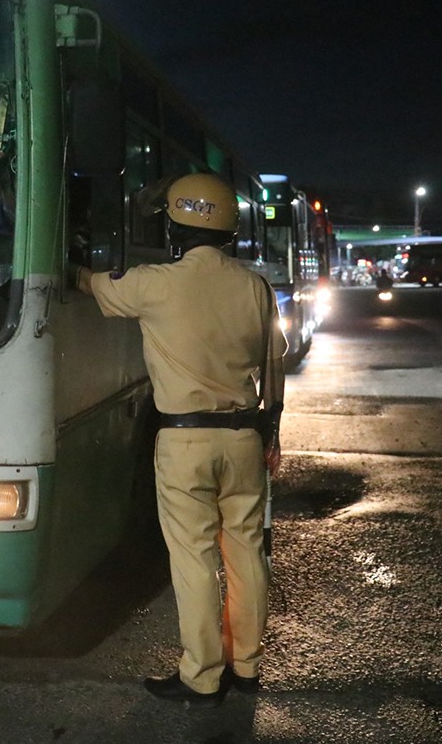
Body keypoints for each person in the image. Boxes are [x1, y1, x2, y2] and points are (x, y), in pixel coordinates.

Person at [72, 173, 287, 708]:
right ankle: (248, 666)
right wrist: (272, 432)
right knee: (246, 551)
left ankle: (203, 675)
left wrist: (71, 264)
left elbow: (93, 285)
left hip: (185, 441)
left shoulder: (154, 282)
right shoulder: (254, 287)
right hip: (244, 438)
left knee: (193, 558)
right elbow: (275, 366)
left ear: (173, 225)